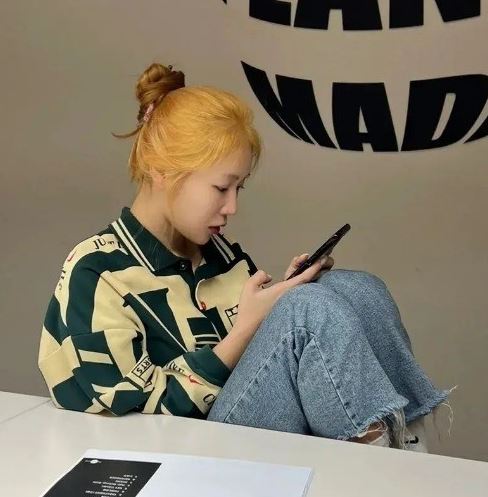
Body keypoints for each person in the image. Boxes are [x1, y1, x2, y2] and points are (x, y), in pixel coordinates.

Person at [38, 62, 450, 451]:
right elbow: (116, 415)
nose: (232, 207)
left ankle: (403, 447)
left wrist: (281, 299)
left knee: (357, 288)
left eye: (240, 189)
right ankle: (382, 471)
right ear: (161, 171)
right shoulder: (97, 271)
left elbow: (265, 361)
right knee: (307, 310)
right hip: (180, 451)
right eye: (221, 188)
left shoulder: (218, 253)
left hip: (236, 426)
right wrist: (250, 329)